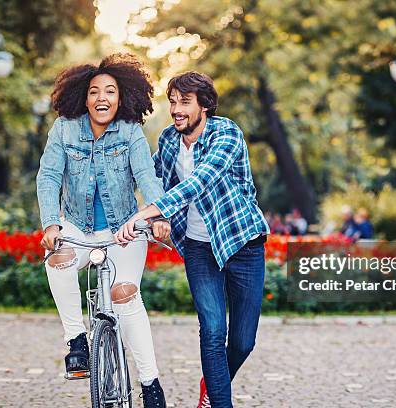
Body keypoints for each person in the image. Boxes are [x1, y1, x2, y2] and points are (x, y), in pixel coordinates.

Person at [114, 71, 270, 408]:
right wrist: (154, 214)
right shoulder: (169, 139)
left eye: (184, 102)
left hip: (242, 244)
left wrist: (151, 210)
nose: (176, 109)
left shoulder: (226, 133)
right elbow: (154, 179)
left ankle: (213, 381)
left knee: (243, 342)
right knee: (213, 330)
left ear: (205, 105)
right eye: (172, 102)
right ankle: (218, 401)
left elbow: (201, 180)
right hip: (200, 249)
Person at [36, 53, 168, 407]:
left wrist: (157, 217)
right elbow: (49, 177)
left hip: (123, 231)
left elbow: (146, 177)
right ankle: (77, 341)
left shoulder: (130, 132)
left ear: (121, 97)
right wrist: (50, 223)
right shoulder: (64, 128)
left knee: (126, 296)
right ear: (84, 96)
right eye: (95, 92)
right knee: (56, 261)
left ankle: (150, 384)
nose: (102, 98)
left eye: (110, 91)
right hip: (76, 229)